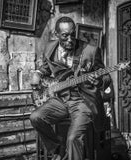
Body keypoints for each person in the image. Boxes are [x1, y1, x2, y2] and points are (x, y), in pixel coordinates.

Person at [29, 16, 111, 160]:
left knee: (73, 138)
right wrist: (37, 74)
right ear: (57, 35)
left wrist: (98, 82)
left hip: (83, 102)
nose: (70, 39)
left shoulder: (90, 51)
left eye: (73, 35)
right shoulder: (50, 48)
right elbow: (46, 68)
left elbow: (106, 78)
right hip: (60, 99)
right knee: (35, 117)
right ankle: (57, 148)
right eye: (65, 36)